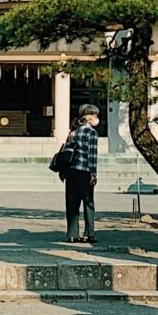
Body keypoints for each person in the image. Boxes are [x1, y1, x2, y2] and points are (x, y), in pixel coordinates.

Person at [60, 102, 101, 244]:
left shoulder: (73, 132)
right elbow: (92, 154)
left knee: (72, 203)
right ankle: (89, 233)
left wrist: (63, 171)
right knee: (88, 203)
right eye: (94, 115)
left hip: (71, 171)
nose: (96, 117)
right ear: (88, 117)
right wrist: (93, 173)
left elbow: (66, 152)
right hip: (85, 171)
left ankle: (72, 234)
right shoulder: (92, 133)